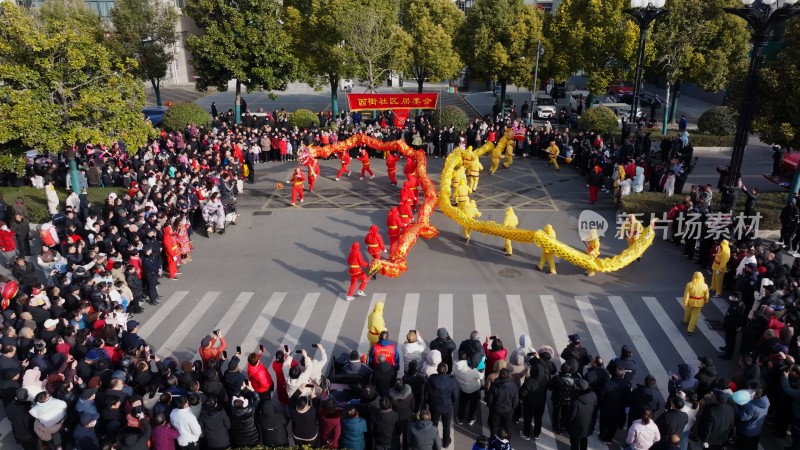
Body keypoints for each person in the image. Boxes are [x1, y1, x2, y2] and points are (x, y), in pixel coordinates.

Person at [425, 362, 458, 448]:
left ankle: (433, 442)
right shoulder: (451, 380)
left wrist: (428, 402)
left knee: (434, 425)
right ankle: (446, 442)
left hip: (434, 407)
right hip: (447, 407)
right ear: (446, 370)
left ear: (437, 370)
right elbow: (455, 394)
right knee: (446, 425)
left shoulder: (431, 379)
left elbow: (426, 393)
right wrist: (453, 403)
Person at [732, 384, 768, 450]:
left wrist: (735, 405)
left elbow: (742, 417)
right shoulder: (766, 400)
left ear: (756, 395)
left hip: (746, 432)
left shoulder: (751, 406)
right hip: (757, 431)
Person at [486, 368, 519, 437]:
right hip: (508, 410)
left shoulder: (494, 385)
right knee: (507, 427)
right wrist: (512, 409)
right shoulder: (513, 386)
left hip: (496, 409)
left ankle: (493, 440)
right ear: (508, 376)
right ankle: (507, 441)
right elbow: (515, 400)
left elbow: (490, 399)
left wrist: (490, 407)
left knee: (494, 427)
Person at [454, 352, 483, 427]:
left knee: (462, 404)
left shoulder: (455, 367)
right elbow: (481, 376)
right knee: (473, 405)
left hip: (463, 388)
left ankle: (460, 418)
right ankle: (471, 419)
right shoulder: (472, 370)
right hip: (474, 389)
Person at [567, 379, 597, 450]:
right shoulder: (593, 395)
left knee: (575, 443)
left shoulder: (576, 401)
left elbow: (571, 416)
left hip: (576, 426)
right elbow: (595, 409)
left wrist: (567, 424)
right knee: (584, 440)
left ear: (578, 388)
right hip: (588, 424)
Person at [719, 292, 746, 360]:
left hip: (732, 326)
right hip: (730, 324)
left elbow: (734, 318)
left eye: (733, 297)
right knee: (728, 338)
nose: (732, 298)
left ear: (736, 298)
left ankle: (728, 355)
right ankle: (727, 347)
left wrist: (730, 326)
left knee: (730, 340)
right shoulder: (738, 303)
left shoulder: (737, 307)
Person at [682, 271, 709, 336]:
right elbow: (706, 295)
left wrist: (685, 302)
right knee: (695, 316)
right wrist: (706, 300)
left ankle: (686, 321)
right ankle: (690, 330)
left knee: (688, 312)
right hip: (699, 303)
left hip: (690, 301)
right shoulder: (705, 285)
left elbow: (686, 294)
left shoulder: (689, 284)